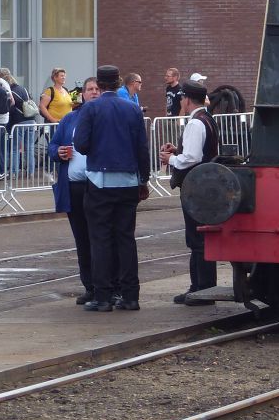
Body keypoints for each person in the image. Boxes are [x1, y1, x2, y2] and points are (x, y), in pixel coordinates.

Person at [74, 64, 150, 312]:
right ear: (118, 83)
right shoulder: (132, 108)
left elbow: (82, 145)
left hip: (99, 182)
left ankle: (103, 296)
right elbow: (142, 147)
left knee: (101, 240)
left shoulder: (91, 108)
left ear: (101, 83)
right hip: (128, 181)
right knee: (126, 239)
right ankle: (130, 296)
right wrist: (143, 179)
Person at [160, 80, 219, 306]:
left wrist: (172, 158)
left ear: (185, 99)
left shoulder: (195, 123)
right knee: (201, 237)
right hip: (206, 185)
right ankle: (203, 287)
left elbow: (192, 158)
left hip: (195, 186)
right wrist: (180, 150)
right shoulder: (208, 119)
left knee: (196, 238)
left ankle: (201, 288)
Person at [50, 77, 100, 305]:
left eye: (98, 89)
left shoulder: (103, 118)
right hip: (73, 187)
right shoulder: (70, 119)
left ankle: (105, 285)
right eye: (90, 89)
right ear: (82, 95)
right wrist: (58, 151)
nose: (94, 93)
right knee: (82, 238)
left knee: (98, 237)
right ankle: (89, 285)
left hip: (98, 186)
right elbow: (53, 146)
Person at [1, 67, 36, 178]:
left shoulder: (9, 92)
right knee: (29, 147)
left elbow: (10, 108)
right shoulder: (23, 89)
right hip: (31, 120)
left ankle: (14, 172)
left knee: (15, 148)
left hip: (18, 122)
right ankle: (31, 172)